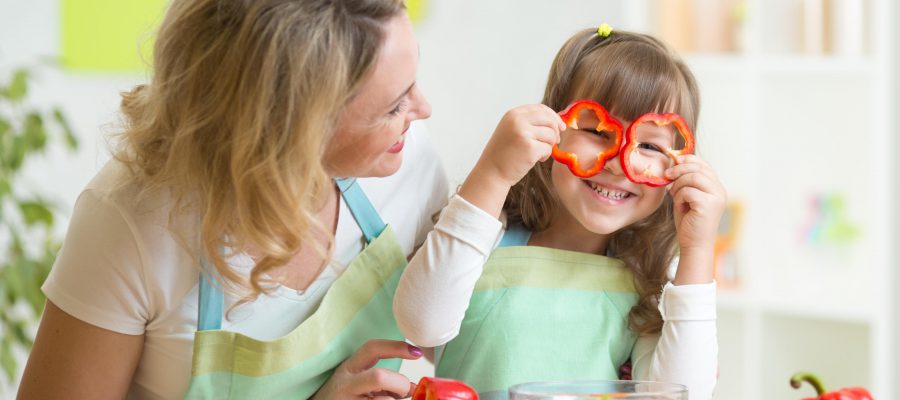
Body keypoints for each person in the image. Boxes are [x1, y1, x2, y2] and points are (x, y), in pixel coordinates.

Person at [18, 1, 450, 398]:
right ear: (290, 131)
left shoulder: (406, 156)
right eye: (393, 107)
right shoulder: (131, 220)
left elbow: (448, 337)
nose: (422, 109)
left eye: (412, 83)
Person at [394, 26, 724, 400]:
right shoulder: (488, 233)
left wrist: (698, 250)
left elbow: (680, 395)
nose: (619, 163)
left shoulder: (649, 277)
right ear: (553, 128)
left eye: (649, 145)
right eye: (598, 131)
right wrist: (493, 171)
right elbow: (421, 325)